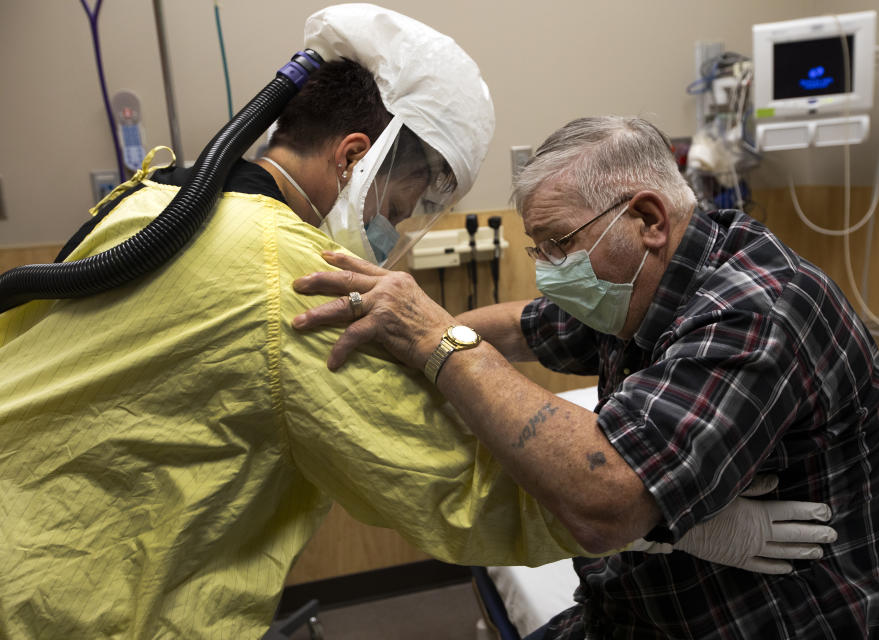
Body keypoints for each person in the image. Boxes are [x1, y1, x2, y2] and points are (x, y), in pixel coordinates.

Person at [0, 8, 834, 637]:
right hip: (77, 604)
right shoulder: (294, 274)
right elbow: (453, 482)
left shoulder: (154, 201)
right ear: (356, 155)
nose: (398, 229)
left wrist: (441, 330)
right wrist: (663, 519)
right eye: (407, 203)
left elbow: (543, 327)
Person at [291, 115, 879, 638]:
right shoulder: (643, 283)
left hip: (786, 619)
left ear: (648, 219)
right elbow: (525, 323)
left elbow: (608, 503)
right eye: (537, 250)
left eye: (558, 245)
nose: (547, 270)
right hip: (639, 609)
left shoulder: (760, 308)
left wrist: (438, 340)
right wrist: (406, 328)